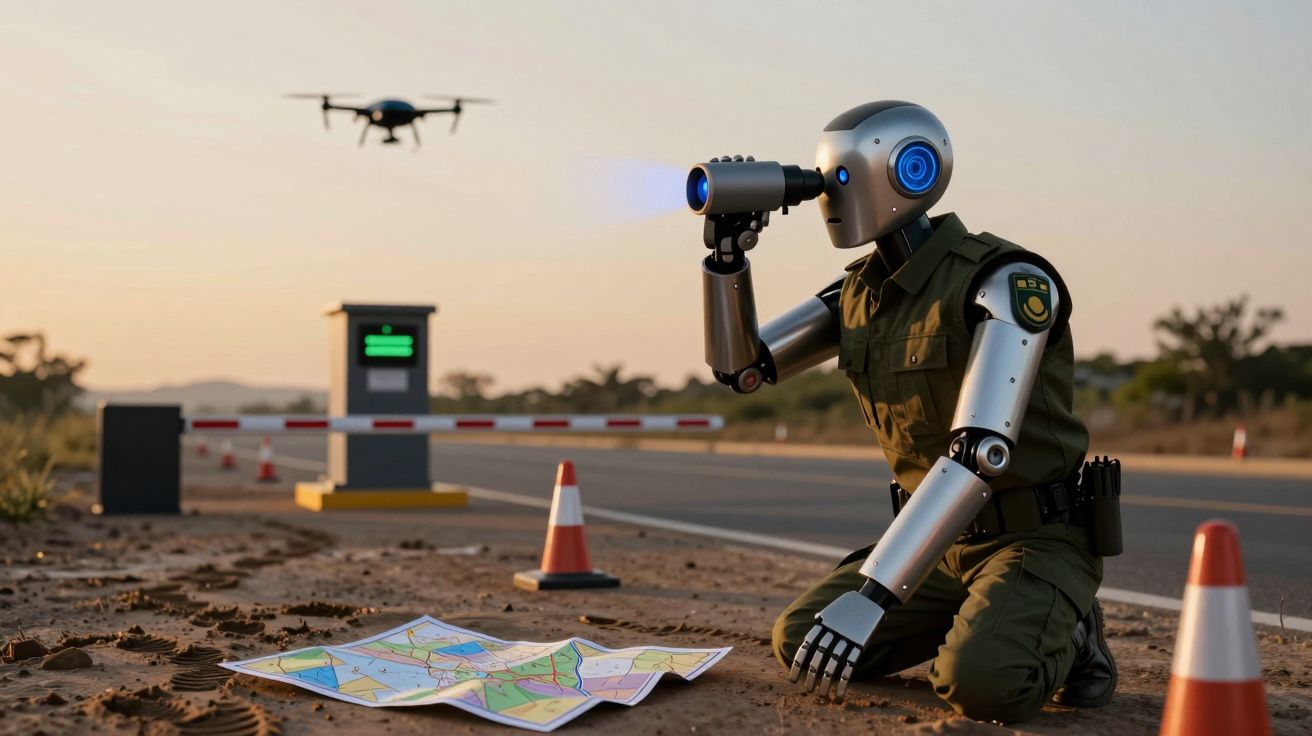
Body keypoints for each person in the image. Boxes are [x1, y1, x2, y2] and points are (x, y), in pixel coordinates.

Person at [695, 101, 1116, 722]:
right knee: (801, 638)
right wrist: (726, 261)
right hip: (939, 548)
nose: (826, 196)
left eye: (840, 178)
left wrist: (872, 594)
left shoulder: (1004, 281)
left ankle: (1072, 632)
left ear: (907, 170)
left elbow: (980, 452)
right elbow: (744, 368)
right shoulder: (858, 293)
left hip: (1034, 536)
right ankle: (989, 615)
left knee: (985, 687)